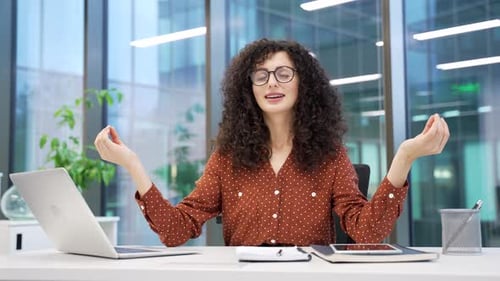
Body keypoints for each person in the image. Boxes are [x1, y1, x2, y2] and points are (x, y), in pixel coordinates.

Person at [94, 38, 449, 247]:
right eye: (260, 76)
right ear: (248, 89)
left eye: (283, 73)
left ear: (302, 84)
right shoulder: (228, 158)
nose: (271, 83)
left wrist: (405, 157)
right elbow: (175, 231)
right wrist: (132, 165)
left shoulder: (329, 156)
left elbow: (368, 233)